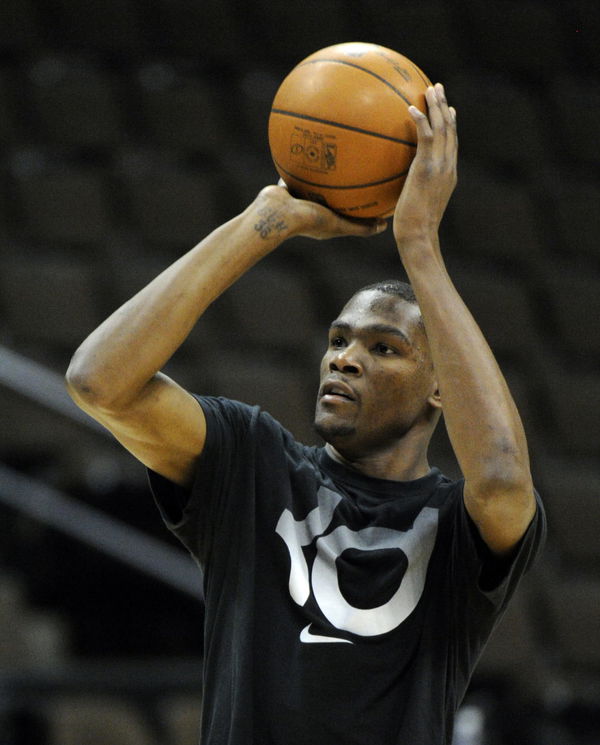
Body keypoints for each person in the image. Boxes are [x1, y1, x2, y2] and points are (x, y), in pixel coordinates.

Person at [66, 84, 545, 745]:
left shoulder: (458, 527)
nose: (345, 359)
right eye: (339, 339)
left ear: (442, 388)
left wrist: (420, 245)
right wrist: (266, 221)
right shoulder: (253, 461)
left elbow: (500, 476)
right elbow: (98, 381)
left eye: (385, 348)